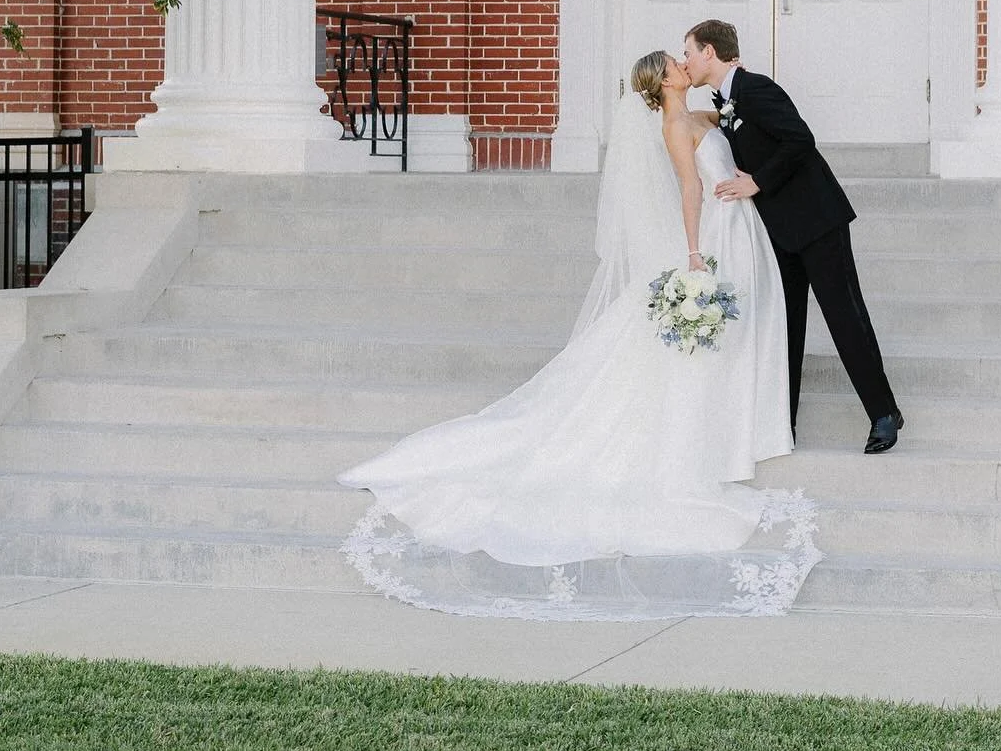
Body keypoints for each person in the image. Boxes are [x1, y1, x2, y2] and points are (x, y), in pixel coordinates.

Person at [336, 49, 819, 620]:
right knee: (687, 347)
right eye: (675, 63)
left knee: (723, 341)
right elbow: (690, 189)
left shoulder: (696, 115)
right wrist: (693, 255)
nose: (683, 64)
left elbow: (725, 125)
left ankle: (737, 426)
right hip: (710, 235)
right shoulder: (670, 124)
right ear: (663, 80)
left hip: (737, 227)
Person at [683, 18, 903, 454]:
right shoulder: (727, 101)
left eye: (688, 51)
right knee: (786, 327)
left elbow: (800, 139)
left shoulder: (757, 88)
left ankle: (883, 412)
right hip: (777, 233)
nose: (686, 61)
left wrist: (756, 182)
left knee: (844, 315)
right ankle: (783, 422)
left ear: (709, 52)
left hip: (817, 220)